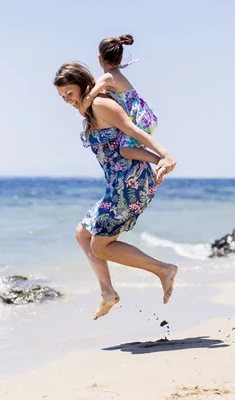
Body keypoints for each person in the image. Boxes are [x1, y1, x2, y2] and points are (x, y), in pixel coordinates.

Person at [54, 61, 178, 320]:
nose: (67, 99)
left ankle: (163, 270)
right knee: (82, 234)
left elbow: (133, 132)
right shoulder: (88, 109)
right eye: (62, 96)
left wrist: (164, 155)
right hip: (118, 183)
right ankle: (107, 292)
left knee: (100, 247)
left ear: (82, 84)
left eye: (70, 92)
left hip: (129, 182)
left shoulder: (101, 104)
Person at [79, 34, 159, 167]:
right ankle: (155, 165)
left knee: (125, 150)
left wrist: (82, 105)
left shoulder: (107, 77)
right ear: (119, 58)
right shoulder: (116, 75)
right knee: (130, 149)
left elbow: (90, 96)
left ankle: (160, 161)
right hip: (145, 115)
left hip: (139, 117)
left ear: (99, 58)